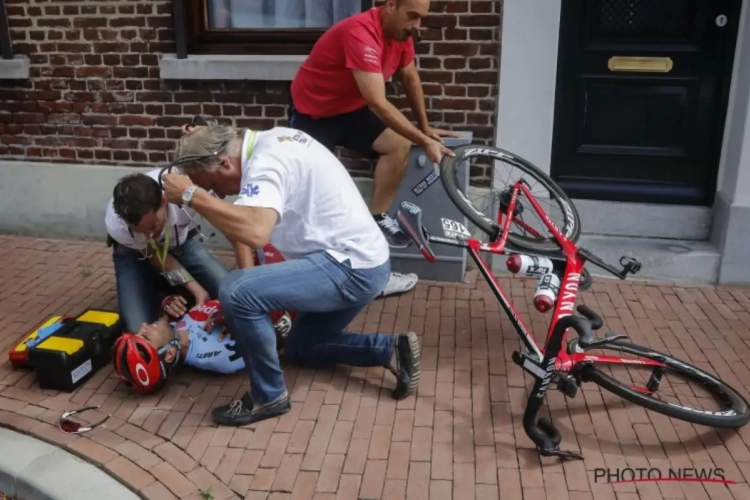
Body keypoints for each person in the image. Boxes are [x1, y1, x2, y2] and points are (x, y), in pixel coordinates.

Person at [159, 123, 423, 427]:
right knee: (300, 347)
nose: (216, 193)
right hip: (363, 262)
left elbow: (255, 232)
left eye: (211, 184)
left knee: (234, 290)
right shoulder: (270, 141)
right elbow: (244, 235)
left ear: (225, 162)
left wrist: (192, 195)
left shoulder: (267, 163)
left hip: (350, 268)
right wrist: (244, 302)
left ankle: (268, 396)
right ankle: (389, 349)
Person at [288, 0, 460, 249]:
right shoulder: (361, 32)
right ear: (391, 5)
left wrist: (425, 127)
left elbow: (409, 77)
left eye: (421, 18)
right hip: (313, 112)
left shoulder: (400, 34)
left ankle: (377, 218)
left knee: (398, 146)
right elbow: (378, 103)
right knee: (304, 183)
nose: (416, 25)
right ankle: (279, 243)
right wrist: (424, 141)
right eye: (412, 15)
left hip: (351, 110)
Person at [104, 170, 230, 334]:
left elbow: (231, 221)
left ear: (164, 202)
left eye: (152, 226)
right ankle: (161, 293)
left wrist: (200, 292)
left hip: (179, 244)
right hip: (134, 253)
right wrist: (197, 290)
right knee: (138, 330)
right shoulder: (117, 225)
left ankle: (171, 291)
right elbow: (157, 257)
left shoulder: (190, 190)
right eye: (140, 231)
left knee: (231, 291)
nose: (149, 235)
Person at [112, 299, 294, 394]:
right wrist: (237, 315)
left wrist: (168, 298)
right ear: (169, 354)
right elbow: (275, 337)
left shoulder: (173, 326)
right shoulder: (218, 357)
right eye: (146, 335)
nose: (144, 325)